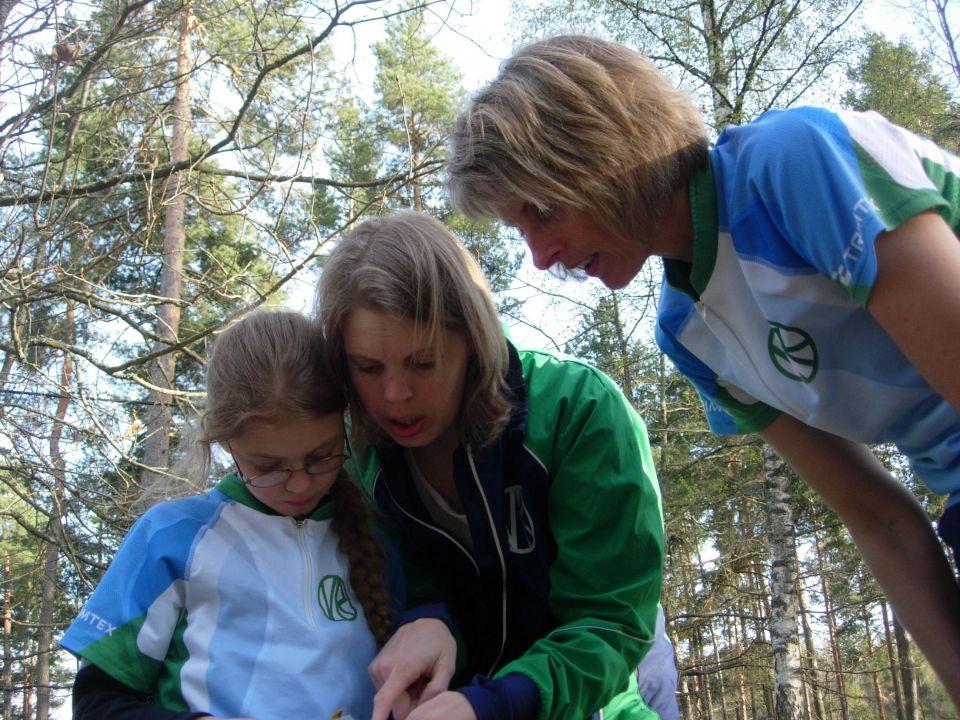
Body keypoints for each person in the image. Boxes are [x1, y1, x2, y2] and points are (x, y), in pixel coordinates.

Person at [444, 34, 960, 706]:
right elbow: (880, 520)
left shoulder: (791, 162)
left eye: (543, 211)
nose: (541, 256)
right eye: (520, 230)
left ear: (605, 149)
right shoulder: (689, 331)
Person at [316, 211, 675, 720]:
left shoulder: (579, 412)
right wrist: (429, 619)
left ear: (472, 339)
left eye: (423, 362)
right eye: (368, 367)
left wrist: (493, 705)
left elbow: (611, 623)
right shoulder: (350, 456)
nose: (394, 396)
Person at [61, 310, 401, 720]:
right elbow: (97, 704)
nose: (298, 484)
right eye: (268, 467)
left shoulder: (376, 533)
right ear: (224, 442)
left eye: (321, 457)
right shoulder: (170, 538)